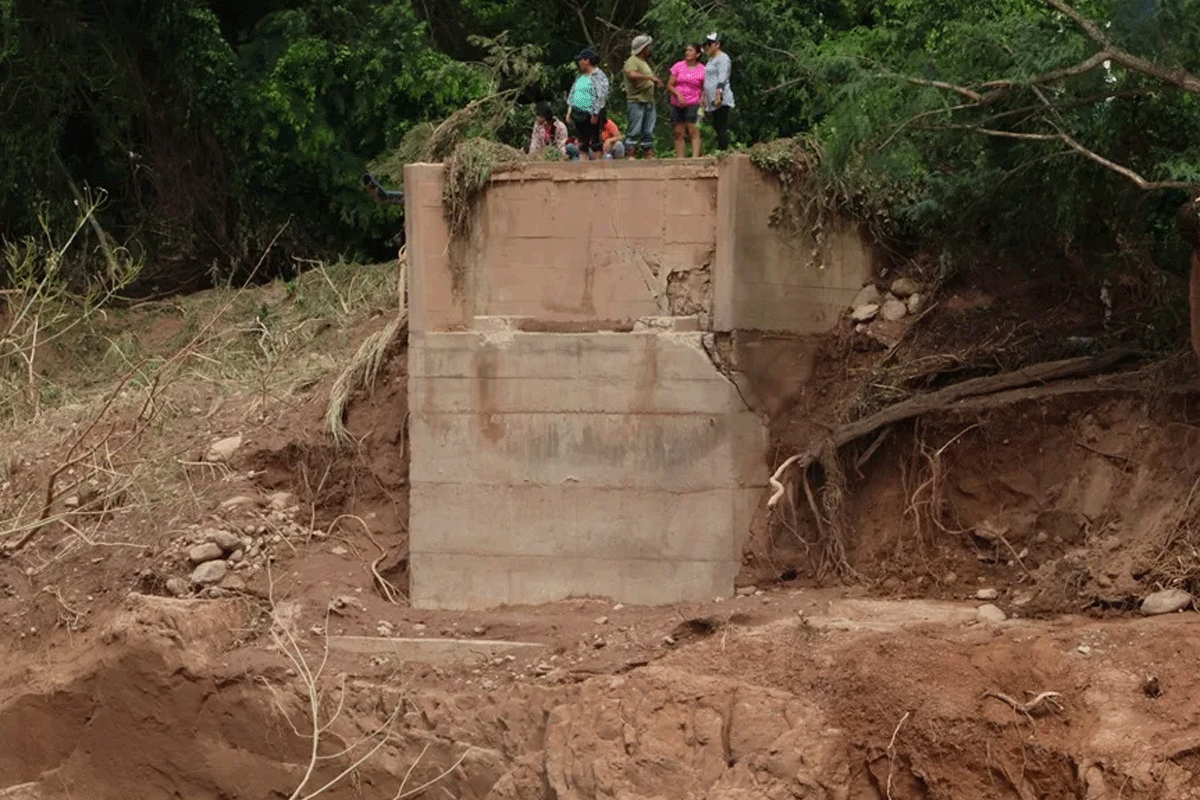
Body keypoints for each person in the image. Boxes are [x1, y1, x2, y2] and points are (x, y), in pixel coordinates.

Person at [565, 48, 610, 160]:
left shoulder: (599, 76)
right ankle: (583, 167)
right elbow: (573, 92)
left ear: (587, 61)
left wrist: (595, 113)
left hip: (591, 114)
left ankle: (597, 167)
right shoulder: (580, 77)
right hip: (578, 114)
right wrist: (569, 109)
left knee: (595, 142)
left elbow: (601, 95)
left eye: (580, 60)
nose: (579, 63)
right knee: (582, 143)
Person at [623, 34, 662, 158]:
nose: (649, 50)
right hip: (636, 101)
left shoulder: (644, 62)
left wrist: (655, 82)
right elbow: (632, 74)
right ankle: (631, 153)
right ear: (643, 48)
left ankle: (648, 152)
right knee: (634, 130)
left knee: (648, 130)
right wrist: (649, 77)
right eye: (648, 47)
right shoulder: (632, 61)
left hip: (648, 100)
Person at [667, 43, 705, 158]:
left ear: (697, 54)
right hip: (677, 103)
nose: (687, 53)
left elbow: (705, 87)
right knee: (678, 132)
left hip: (694, 102)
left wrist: (703, 100)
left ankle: (695, 157)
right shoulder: (678, 66)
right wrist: (678, 95)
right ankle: (680, 158)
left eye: (691, 50)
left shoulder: (703, 69)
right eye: (686, 50)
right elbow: (670, 85)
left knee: (693, 130)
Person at [702, 32, 734, 152]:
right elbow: (708, 78)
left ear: (717, 44)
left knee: (721, 124)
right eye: (706, 45)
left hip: (720, 96)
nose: (707, 47)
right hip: (711, 97)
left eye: (710, 44)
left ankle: (723, 150)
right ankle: (720, 148)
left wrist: (718, 93)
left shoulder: (723, 58)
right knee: (716, 124)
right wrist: (704, 94)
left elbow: (722, 77)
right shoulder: (711, 60)